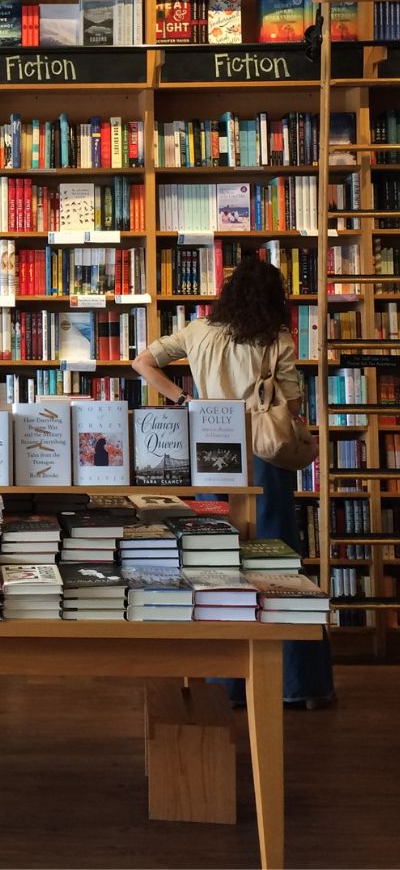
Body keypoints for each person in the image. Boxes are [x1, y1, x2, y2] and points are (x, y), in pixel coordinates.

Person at [131, 256, 335, 709]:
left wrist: (186, 399)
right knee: (277, 565)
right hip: (261, 456)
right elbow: (294, 402)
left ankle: (225, 686)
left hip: (209, 451)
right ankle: (294, 685)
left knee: (214, 562)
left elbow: (143, 361)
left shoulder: (197, 331)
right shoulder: (276, 338)